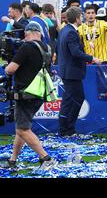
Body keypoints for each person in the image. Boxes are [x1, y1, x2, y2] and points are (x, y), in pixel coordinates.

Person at [0, 22, 58, 170]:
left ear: (27, 33)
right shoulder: (47, 48)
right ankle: (13, 161)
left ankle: (46, 158)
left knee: (22, 130)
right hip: (39, 93)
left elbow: (11, 69)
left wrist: (6, 68)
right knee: (22, 127)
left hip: (25, 94)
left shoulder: (26, 47)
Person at [57, 7, 101, 137]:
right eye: (81, 16)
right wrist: (92, 58)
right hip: (71, 73)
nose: (82, 18)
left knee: (71, 100)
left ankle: (67, 129)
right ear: (77, 18)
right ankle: (66, 130)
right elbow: (75, 52)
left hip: (69, 71)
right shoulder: (70, 32)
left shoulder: (65, 30)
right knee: (72, 100)